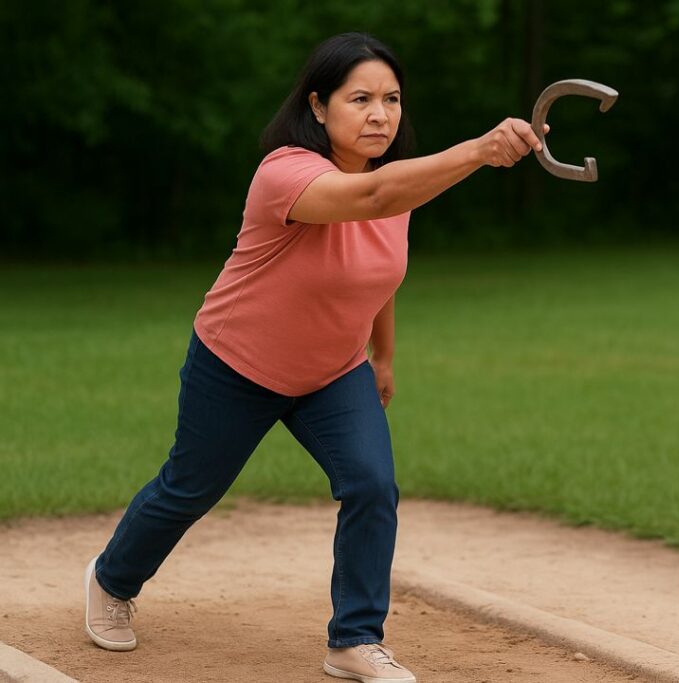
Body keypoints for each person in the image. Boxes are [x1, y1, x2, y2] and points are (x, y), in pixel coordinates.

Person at [83, 32, 546, 682]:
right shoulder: (286, 174)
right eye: (361, 98)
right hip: (236, 365)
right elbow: (369, 200)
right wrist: (477, 150)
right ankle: (110, 580)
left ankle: (354, 639)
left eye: (392, 99)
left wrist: (382, 356)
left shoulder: (396, 187)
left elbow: (376, 274)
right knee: (190, 488)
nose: (381, 113)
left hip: (333, 371)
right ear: (319, 106)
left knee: (371, 485)